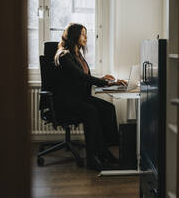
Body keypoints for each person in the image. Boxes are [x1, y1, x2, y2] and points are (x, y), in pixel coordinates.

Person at [54, 23, 126, 171]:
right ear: (74, 36)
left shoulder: (77, 55)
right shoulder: (64, 55)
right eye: (82, 34)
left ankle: (105, 151)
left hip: (80, 98)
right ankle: (92, 158)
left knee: (108, 108)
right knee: (91, 111)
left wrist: (104, 79)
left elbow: (85, 77)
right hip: (67, 101)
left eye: (86, 34)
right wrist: (106, 82)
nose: (86, 37)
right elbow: (80, 77)